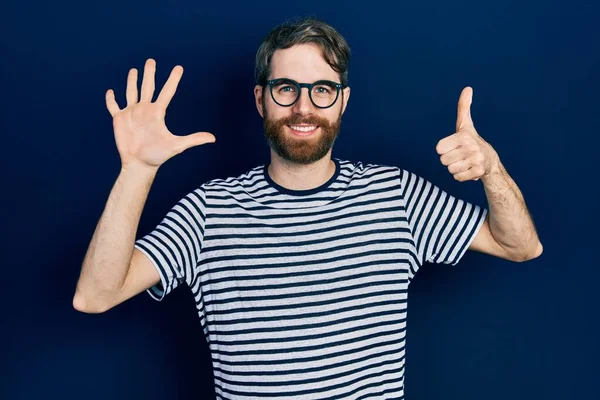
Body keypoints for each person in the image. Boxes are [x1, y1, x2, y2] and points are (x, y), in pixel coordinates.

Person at [73, 16, 542, 400]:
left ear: (342, 103)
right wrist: (136, 169)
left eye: (322, 89)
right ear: (261, 100)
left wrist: (492, 170)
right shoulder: (208, 210)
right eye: (285, 89)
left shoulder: (396, 195)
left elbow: (519, 245)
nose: (303, 106)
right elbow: (95, 295)